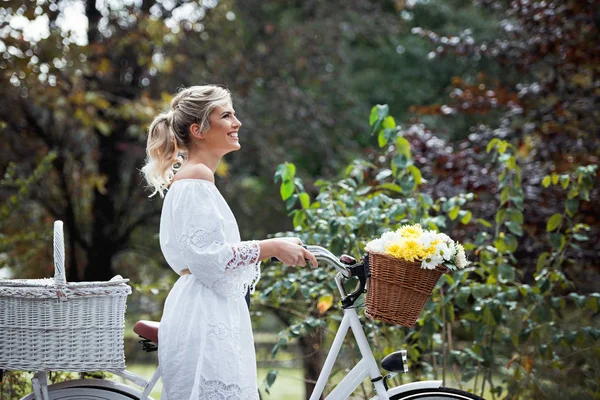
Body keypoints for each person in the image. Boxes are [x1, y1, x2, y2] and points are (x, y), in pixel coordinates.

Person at [141, 84, 318, 399]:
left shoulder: (194, 177)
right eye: (226, 115)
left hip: (210, 309)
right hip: (204, 313)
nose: (237, 123)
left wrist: (277, 246)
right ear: (199, 130)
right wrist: (273, 247)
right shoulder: (196, 178)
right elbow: (209, 258)